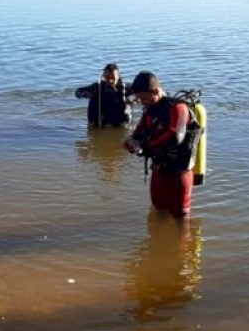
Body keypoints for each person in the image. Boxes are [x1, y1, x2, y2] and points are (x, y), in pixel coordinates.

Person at [123, 71, 202, 218]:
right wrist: (131, 142)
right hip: (159, 167)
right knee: (158, 208)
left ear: (155, 91)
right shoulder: (150, 109)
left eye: (144, 98)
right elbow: (139, 132)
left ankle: (182, 240)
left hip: (179, 171)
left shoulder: (178, 108)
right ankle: (157, 239)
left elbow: (174, 136)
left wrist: (146, 146)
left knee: (180, 215)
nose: (141, 102)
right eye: (139, 99)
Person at [75, 63, 131, 127]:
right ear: (104, 76)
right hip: (100, 123)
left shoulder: (126, 88)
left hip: (120, 124)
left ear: (118, 76)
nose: (110, 81)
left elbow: (139, 94)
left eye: (113, 78)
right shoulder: (97, 87)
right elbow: (77, 92)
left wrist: (132, 98)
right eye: (107, 78)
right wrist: (84, 94)